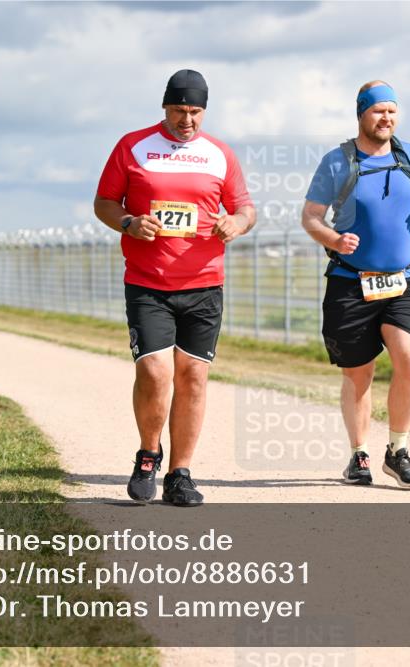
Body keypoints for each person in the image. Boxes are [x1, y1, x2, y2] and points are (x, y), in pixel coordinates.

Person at [94, 69, 256, 506]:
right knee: (155, 371)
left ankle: (180, 474)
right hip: (148, 282)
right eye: (180, 110)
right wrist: (129, 221)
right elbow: (105, 202)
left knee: (194, 378)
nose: (188, 120)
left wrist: (236, 223)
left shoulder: (219, 154)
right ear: (164, 107)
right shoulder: (133, 147)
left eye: (196, 111)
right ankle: (148, 454)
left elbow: (245, 208)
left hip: (204, 284)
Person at [301, 80, 410, 488]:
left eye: (392, 111)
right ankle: (358, 455)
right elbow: (310, 216)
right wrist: (333, 239)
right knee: (358, 375)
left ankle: (397, 451)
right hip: (351, 282)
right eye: (378, 110)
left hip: (404, 281)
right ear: (362, 114)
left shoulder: (409, 155)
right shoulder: (337, 161)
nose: (386, 118)